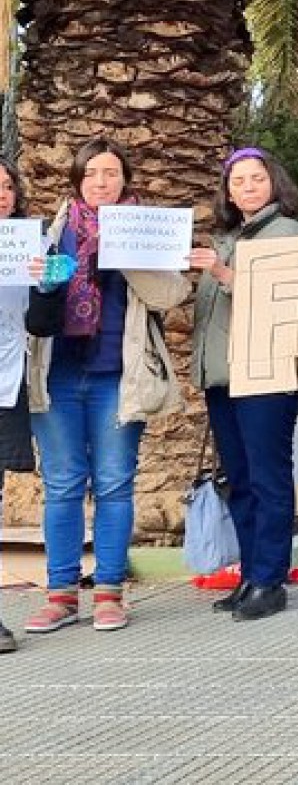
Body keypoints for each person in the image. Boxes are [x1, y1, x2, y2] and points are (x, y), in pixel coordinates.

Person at [19, 140, 190, 634]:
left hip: (118, 374)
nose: (101, 181)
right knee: (63, 485)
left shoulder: (144, 230)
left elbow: (173, 294)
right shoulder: (50, 233)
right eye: (91, 172)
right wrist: (46, 282)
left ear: (124, 179)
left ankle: (110, 593)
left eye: (111, 173)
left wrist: (129, 253)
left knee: (114, 483)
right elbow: (29, 307)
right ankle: (62, 595)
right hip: (57, 377)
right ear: (77, 180)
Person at [189, 148, 298, 623]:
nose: (248, 188)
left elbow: (280, 300)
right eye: (238, 181)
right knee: (238, 480)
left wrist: (220, 272)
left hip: (266, 375)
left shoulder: (289, 234)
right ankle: (249, 574)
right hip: (223, 376)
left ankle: (270, 579)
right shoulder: (225, 238)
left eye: (256, 179)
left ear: (274, 183)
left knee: (268, 477)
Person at [0, 161, 34, 650]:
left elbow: (44, 319)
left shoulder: (28, 246)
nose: (2, 194)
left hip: (6, 387)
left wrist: (52, 278)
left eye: (7, 186)